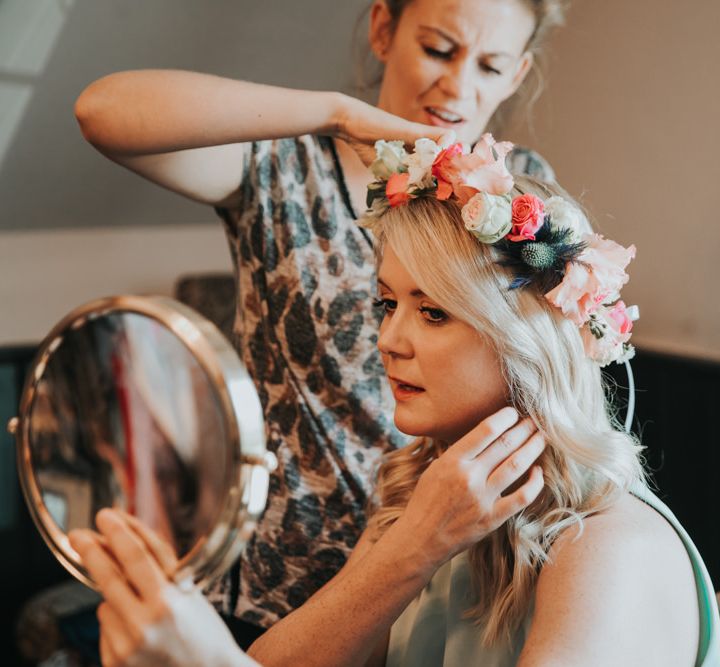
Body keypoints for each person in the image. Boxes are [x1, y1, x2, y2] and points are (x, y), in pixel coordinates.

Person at [69, 136, 720, 666]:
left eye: (433, 312)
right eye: (387, 303)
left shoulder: (607, 545)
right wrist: (408, 548)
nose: (387, 338)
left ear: (523, 342)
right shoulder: (422, 501)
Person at [74, 0, 567, 644]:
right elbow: (102, 113)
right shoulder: (282, 169)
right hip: (276, 584)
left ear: (517, 72)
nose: (458, 87)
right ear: (384, 29)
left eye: (491, 64)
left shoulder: (516, 198)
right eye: (439, 50)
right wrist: (343, 115)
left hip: (444, 588)